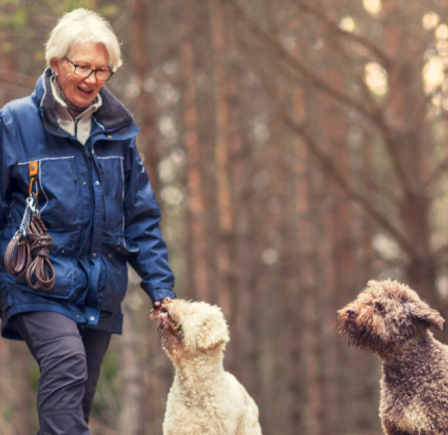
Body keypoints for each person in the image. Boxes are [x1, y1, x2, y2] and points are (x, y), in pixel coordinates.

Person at [0, 8, 176, 435]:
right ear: (55, 63)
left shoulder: (120, 132)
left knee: (76, 401)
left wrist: (161, 290)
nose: (92, 78)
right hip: (36, 282)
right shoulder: (14, 122)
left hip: (100, 288)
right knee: (66, 362)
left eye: (102, 70)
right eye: (82, 66)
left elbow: (141, 216)